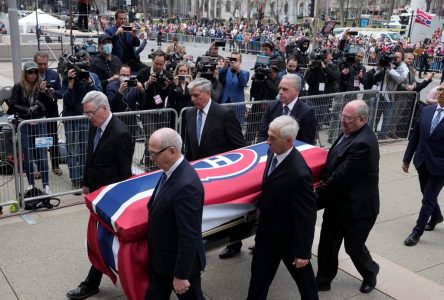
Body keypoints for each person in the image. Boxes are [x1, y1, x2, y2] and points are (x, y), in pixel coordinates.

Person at [66, 91, 133, 299]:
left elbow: (125, 173)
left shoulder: (120, 133)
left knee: (100, 240)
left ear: (104, 108)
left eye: (91, 113)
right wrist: (86, 182)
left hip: (111, 199)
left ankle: (91, 283)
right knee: (98, 239)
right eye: (86, 114)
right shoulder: (95, 126)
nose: (88, 117)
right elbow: (90, 156)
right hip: (96, 194)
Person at [247, 115, 318, 300]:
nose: (267, 141)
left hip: (289, 241)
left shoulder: (299, 173)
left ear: (288, 141)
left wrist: (303, 252)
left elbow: (307, 215)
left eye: (272, 138)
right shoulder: (273, 152)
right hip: (266, 235)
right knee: (258, 281)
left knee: (306, 285)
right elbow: (269, 184)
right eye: (268, 135)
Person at [315, 100, 380, 294]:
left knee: (354, 248)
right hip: (337, 203)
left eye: (348, 118)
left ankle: (371, 272)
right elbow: (333, 164)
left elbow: (340, 178)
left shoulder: (363, 144)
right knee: (327, 244)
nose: (343, 121)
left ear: (362, 119)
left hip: (357, 209)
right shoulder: (349, 133)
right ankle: (323, 280)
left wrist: (313, 199)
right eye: (342, 116)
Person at [184, 78, 246, 259]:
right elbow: (190, 146)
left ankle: (234, 243)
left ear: (208, 93)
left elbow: (239, 147)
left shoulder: (224, 114)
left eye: (196, 95)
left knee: (228, 210)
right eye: (191, 96)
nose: (193, 100)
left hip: (222, 174)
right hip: (199, 173)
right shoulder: (189, 114)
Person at [145, 128, 206, 300]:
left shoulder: (186, 185)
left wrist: (180, 275)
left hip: (179, 265)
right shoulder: (170, 172)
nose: (151, 158)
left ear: (172, 151)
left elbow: (189, 234)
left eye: (154, 154)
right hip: (162, 260)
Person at [402, 82, 444, 246]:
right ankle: (437, 216)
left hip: (440, 167)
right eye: (439, 89)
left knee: (427, 199)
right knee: (426, 193)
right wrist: (406, 159)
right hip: (421, 162)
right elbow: (415, 137)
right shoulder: (426, 111)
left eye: (443, 90)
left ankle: (416, 232)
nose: (440, 92)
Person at [9, 61, 52, 194]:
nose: (33, 75)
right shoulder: (18, 86)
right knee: (27, 156)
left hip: (40, 125)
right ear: (25, 73)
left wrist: (45, 92)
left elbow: (51, 103)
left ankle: (46, 185)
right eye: (30, 72)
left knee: (43, 155)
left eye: (35, 72)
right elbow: (13, 104)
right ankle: (31, 185)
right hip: (25, 124)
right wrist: (27, 110)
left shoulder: (42, 85)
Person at [62, 54, 102, 191]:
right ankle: (75, 178)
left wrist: (90, 83)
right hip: (71, 119)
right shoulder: (67, 79)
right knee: (72, 151)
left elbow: (98, 97)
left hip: (86, 120)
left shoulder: (92, 77)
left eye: (85, 65)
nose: (82, 69)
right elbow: (69, 102)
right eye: (80, 66)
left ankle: (83, 177)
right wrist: (71, 84)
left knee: (85, 151)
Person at [257, 74, 317, 145]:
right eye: (280, 88)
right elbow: (262, 134)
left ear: (296, 91)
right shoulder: (271, 106)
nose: (280, 92)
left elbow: (307, 143)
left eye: (285, 89)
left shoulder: (307, 112)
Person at [34, 51, 63, 177]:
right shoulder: (31, 75)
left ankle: (55, 166)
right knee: (38, 141)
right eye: (40, 64)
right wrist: (39, 90)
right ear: (35, 63)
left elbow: (61, 92)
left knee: (53, 139)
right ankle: (40, 167)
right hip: (38, 113)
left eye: (45, 64)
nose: (43, 66)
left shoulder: (54, 74)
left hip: (51, 112)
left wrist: (53, 91)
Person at [106, 64, 146, 149]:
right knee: (117, 147)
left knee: (131, 147)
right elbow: (111, 104)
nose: (125, 77)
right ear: (118, 74)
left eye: (128, 75)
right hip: (117, 121)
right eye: (123, 75)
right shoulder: (111, 86)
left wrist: (141, 90)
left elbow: (142, 102)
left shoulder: (133, 86)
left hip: (131, 122)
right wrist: (120, 92)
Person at [218, 51, 250, 124]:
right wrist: (225, 67)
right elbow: (220, 80)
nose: (233, 61)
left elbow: (243, 83)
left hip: (237, 105)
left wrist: (238, 71)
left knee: (236, 128)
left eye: (235, 60)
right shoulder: (225, 70)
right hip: (224, 103)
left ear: (240, 62)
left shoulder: (245, 73)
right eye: (232, 59)